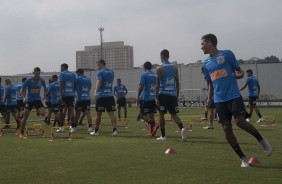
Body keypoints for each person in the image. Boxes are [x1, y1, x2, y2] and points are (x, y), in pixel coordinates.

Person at [201, 33, 272, 167]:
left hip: (233, 95)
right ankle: (243, 159)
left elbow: (240, 72)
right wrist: (209, 98)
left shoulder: (227, 54)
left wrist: (238, 76)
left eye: (202, 44)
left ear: (210, 43)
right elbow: (210, 83)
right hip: (219, 99)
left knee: (239, 121)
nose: (201, 47)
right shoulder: (206, 64)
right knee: (227, 128)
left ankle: (261, 140)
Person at [155, 49, 188, 141]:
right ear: (168, 56)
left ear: (161, 57)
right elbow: (177, 82)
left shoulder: (159, 68)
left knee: (161, 115)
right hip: (173, 94)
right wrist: (177, 95)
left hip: (163, 94)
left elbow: (157, 84)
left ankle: (163, 136)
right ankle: (182, 129)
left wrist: (156, 97)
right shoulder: (174, 67)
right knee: (174, 115)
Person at [90, 59, 117, 136]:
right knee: (112, 114)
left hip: (101, 95)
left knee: (98, 114)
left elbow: (99, 82)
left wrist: (95, 91)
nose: (97, 66)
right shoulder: (111, 72)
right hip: (110, 95)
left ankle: (97, 131)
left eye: (97, 64)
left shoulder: (100, 72)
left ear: (101, 64)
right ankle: (114, 131)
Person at [19, 67, 46, 138]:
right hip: (29, 100)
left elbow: (45, 88)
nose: (38, 75)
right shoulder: (28, 81)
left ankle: (38, 110)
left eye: (39, 73)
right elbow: (22, 90)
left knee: (43, 113)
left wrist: (45, 96)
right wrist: (23, 98)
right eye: (36, 73)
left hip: (37, 99)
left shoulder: (42, 80)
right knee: (25, 117)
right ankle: (21, 132)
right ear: (33, 73)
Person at [136, 61, 159, 137]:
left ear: (145, 67)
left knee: (142, 115)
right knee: (151, 115)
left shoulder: (144, 74)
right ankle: (152, 132)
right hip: (153, 98)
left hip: (146, 98)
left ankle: (153, 124)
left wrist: (138, 96)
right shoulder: (155, 75)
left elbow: (141, 86)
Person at [57, 63, 76, 133]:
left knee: (60, 110)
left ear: (64, 67)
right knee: (71, 111)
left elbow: (62, 84)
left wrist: (60, 95)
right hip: (71, 95)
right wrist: (73, 93)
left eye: (61, 67)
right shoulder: (73, 74)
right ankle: (73, 127)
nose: (60, 69)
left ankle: (61, 127)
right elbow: (75, 84)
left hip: (64, 95)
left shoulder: (62, 74)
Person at [74, 68, 93, 133]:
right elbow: (89, 88)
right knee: (88, 113)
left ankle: (74, 127)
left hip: (80, 99)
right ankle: (90, 127)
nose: (76, 74)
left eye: (77, 73)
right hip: (87, 98)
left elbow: (74, 87)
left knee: (77, 114)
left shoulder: (77, 78)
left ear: (79, 72)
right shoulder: (88, 79)